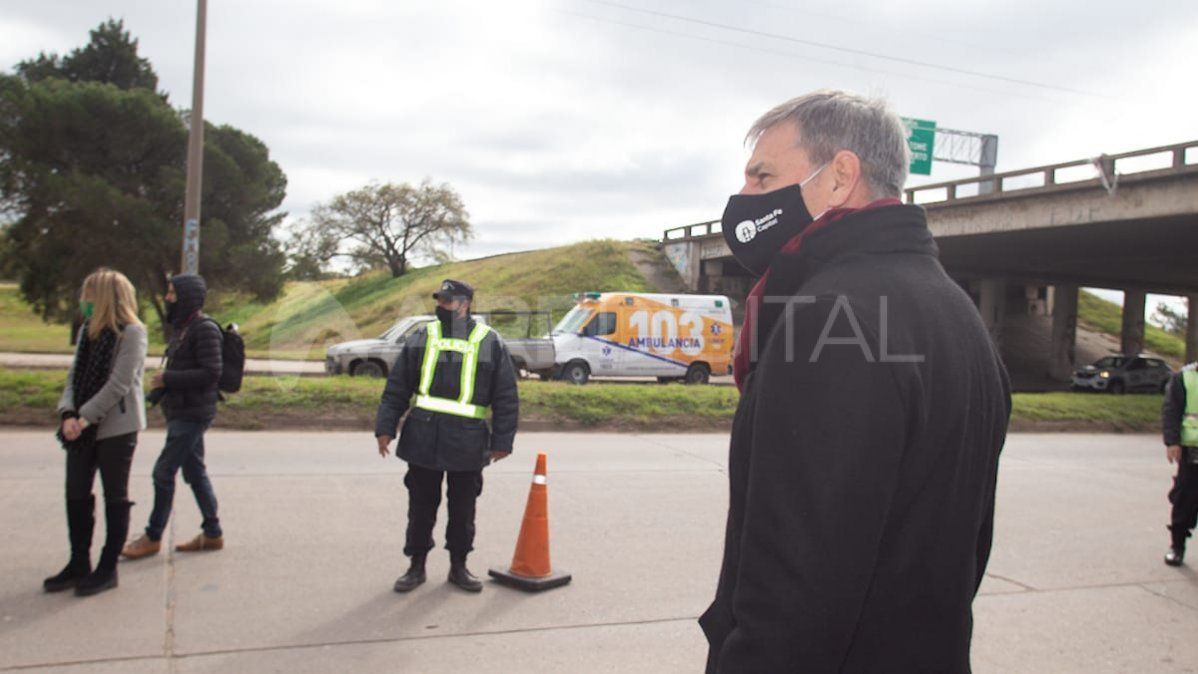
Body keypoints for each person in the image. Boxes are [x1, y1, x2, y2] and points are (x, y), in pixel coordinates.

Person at [700, 90, 1011, 673]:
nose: (744, 198)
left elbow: (796, 590)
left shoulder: (828, 317)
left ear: (840, 175)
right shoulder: (956, 311)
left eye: (762, 176)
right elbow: (970, 543)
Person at [375, 279, 519, 593]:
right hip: (424, 436)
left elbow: (506, 395)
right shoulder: (422, 337)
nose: (441, 305)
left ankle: (459, 566)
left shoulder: (488, 341)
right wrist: (385, 428)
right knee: (421, 508)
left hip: (468, 441)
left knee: (463, 510)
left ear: (465, 303)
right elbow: (397, 387)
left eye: (448, 301)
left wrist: (502, 441)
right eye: (439, 300)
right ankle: (416, 566)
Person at [46, 268, 148, 596]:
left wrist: (84, 417)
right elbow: (73, 376)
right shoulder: (87, 331)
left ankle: (107, 568)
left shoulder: (133, 332)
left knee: (114, 496)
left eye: (88, 294)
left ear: (104, 297)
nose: (83, 301)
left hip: (117, 427)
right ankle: (79, 563)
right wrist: (68, 413)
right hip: (81, 426)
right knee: (76, 492)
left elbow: (119, 383)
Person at [122, 274, 225, 559]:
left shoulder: (204, 329)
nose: (168, 298)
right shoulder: (183, 328)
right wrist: (159, 390)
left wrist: (168, 378)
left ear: (187, 297)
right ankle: (213, 533)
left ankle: (153, 536)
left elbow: (211, 373)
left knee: (163, 472)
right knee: (194, 472)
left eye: (172, 293)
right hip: (181, 409)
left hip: (193, 413)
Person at [1161, 362, 1198, 566]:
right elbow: (1171, 410)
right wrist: (1172, 441)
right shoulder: (1185, 378)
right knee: (1185, 500)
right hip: (1192, 451)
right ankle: (1177, 546)